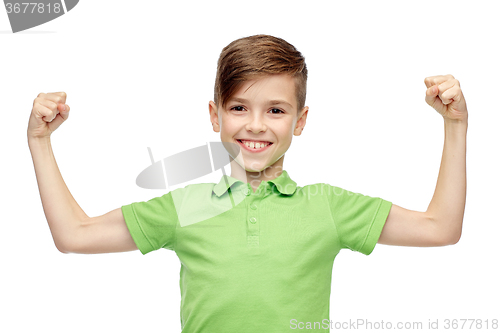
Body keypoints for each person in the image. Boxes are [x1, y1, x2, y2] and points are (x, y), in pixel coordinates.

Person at [27, 34, 468, 332]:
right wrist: (40, 141)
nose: (256, 125)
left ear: (300, 121)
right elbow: (74, 235)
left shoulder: (329, 208)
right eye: (240, 108)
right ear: (215, 114)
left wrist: (456, 125)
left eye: (276, 110)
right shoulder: (188, 206)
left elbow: (440, 228)